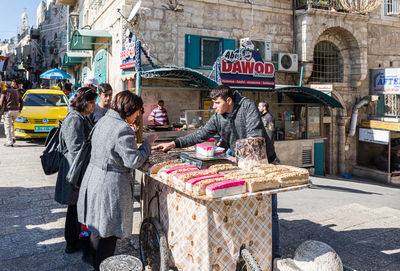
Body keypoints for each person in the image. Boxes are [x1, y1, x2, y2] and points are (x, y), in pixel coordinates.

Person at [155, 85, 282, 258]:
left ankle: (275, 256)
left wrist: (239, 159)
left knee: (269, 211)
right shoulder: (218, 117)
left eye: (216, 103)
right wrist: (173, 143)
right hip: (240, 165)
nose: (213, 107)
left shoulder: (248, 106)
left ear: (228, 100)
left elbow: (255, 136)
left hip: (264, 162)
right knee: (248, 209)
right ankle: (248, 252)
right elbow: (200, 135)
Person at [77, 90, 157, 270]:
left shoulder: (105, 119)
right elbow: (134, 161)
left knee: (98, 227)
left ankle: (94, 260)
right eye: (137, 112)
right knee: (108, 231)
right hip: (109, 184)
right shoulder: (121, 128)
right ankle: (103, 265)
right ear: (129, 109)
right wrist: (147, 144)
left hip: (95, 177)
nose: (138, 116)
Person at [54, 87, 97, 256]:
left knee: (77, 209)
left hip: (79, 169)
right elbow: (76, 149)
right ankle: (71, 243)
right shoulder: (74, 119)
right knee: (74, 209)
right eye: (92, 103)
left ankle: (76, 240)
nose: (94, 106)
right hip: (74, 171)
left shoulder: (82, 117)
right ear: (83, 102)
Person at [0, 81, 24, 147]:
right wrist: (20, 109)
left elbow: (1, 103)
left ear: (6, 86)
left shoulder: (4, 92)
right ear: (11, 86)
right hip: (16, 111)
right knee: (12, 125)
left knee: (7, 126)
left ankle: (9, 142)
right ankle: (13, 138)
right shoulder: (16, 91)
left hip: (8, 111)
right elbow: (22, 101)